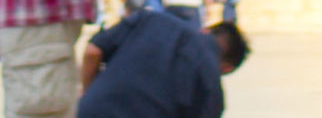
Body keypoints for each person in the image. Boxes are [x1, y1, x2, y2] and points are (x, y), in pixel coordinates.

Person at [73, 10, 248, 118]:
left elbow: (93, 51)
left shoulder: (149, 19)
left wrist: (89, 92)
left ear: (206, 30)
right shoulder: (212, 90)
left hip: (91, 111)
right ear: (226, 68)